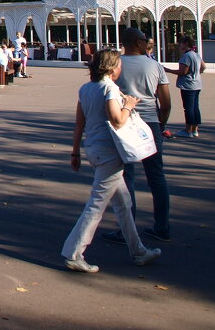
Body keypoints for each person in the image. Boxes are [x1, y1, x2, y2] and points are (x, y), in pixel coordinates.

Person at [62, 50, 161, 272]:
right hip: (109, 152)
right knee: (97, 204)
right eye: (119, 65)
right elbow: (117, 120)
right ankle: (74, 252)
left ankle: (138, 251)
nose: (121, 68)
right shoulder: (110, 88)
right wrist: (129, 104)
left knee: (123, 203)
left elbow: (80, 124)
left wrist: (75, 152)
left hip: (94, 149)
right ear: (112, 68)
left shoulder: (86, 89)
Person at [101, 27, 171, 245]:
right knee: (156, 176)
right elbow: (166, 102)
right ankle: (163, 226)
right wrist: (161, 122)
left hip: (125, 122)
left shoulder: (117, 65)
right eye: (144, 40)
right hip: (150, 122)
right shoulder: (154, 65)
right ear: (138, 42)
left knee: (127, 176)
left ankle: (127, 229)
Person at [169, 36, 203, 138]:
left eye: (181, 43)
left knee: (188, 108)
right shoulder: (196, 55)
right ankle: (195, 130)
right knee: (195, 107)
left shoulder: (186, 56)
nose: (179, 45)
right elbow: (203, 66)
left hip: (188, 85)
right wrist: (197, 73)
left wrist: (168, 70)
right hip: (197, 84)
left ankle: (188, 131)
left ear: (186, 44)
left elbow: (183, 71)